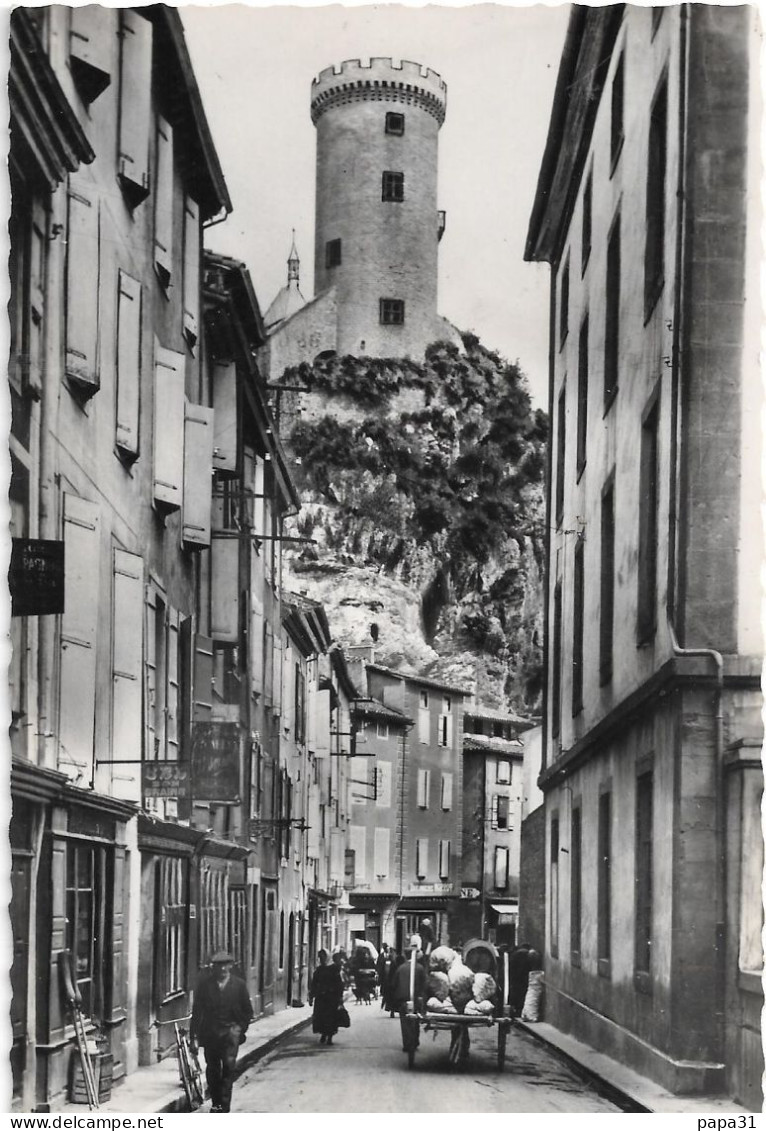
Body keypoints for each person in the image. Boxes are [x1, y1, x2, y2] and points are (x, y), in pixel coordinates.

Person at [190, 951, 253, 1113]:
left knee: (228, 1068)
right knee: (212, 1070)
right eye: (219, 965)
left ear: (231, 966)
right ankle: (216, 1102)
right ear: (214, 967)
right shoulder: (205, 985)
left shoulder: (239, 985)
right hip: (210, 1034)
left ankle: (223, 1107)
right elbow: (197, 1013)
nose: (223, 968)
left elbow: (248, 1011)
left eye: (226, 965)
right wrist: (193, 1038)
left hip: (230, 1033)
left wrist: (239, 1029)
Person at [390, 942, 427, 1052]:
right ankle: (414, 1042)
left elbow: (393, 984)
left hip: (403, 1000)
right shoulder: (420, 968)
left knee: (405, 1022)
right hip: (416, 999)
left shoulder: (401, 968)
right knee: (415, 1021)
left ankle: (407, 1044)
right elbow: (425, 984)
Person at [309, 948, 345, 1044]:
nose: (321, 959)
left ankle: (329, 1037)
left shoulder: (334, 969)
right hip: (321, 997)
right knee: (321, 1017)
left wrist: (340, 997)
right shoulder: (319, 970)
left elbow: (339, 984)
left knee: (331, 1017)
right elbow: (314, 983)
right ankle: (323, 1034)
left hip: (332, 997)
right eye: (320, 957)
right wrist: (311, 996)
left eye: (323, 957)